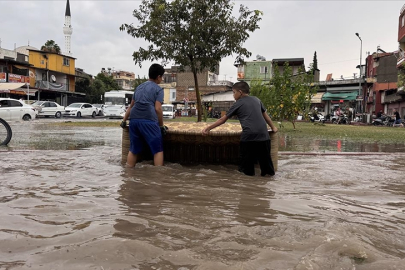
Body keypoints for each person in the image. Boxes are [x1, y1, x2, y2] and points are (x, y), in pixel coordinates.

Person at [201, 81, 278, 177]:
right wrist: (273, 127)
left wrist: (208, 128)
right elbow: (265, 116)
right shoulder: (257, 100)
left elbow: (223, 120)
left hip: (248, 138)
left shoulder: (238, 103)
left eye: (234, 92)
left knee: (246, 170)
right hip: (264, 137)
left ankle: (246, 188)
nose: (233, 95)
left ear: (240, 92)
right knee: (267, 168)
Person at [120, 63, 166, 167]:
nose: (162, 79)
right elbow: (158, 109)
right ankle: (158, 177)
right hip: (149, 120)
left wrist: (124, 120)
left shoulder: (139, 87)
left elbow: (131, 106)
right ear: (158, 77)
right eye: (162, 77)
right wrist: (161, 126)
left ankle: (128, 175)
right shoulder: (158, 90)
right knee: (157, 150)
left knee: (133, 149)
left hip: (134, 120)